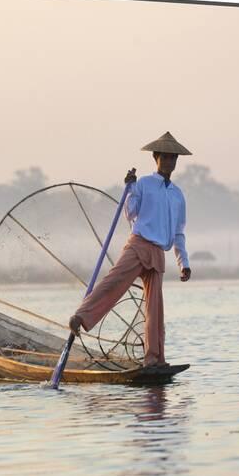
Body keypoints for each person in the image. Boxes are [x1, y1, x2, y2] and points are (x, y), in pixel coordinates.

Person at [69, 131, 192, 367]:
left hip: (158, 253)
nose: (169, 162)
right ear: (156, 158)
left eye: (173, 158)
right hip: (138, 245)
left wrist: (183, 262)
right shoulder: (144, 184)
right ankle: (80, 317)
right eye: (165, 157)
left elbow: (178, 232)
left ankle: (154, 359)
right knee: (113, 283)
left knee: (155, 310)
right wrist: (129, 188)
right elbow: (130, 213)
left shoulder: (177, 195)